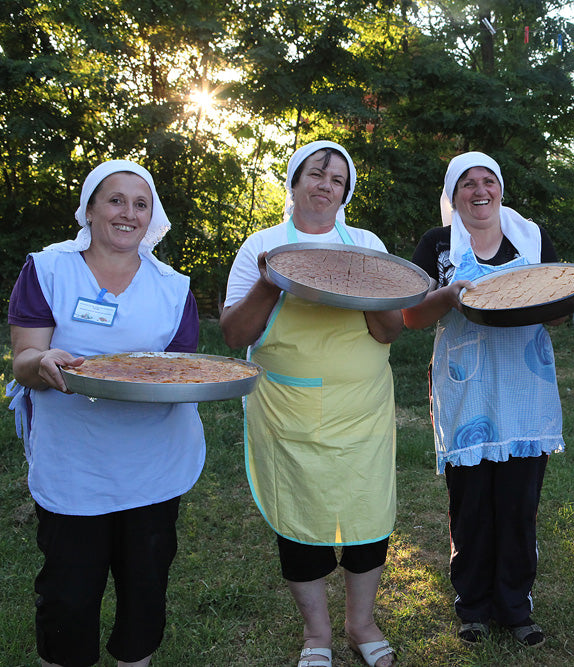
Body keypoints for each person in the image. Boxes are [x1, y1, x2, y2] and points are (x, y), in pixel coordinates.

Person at [5, 160, 205, 667]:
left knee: (145, 593)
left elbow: (184, 374)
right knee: (68, 598)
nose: (128, 213)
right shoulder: (49, 270)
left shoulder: (172, 286)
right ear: (90, 209)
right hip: (75, 462)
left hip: (153, 465)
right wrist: (42, 362)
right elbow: (25, 360)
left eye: (141, 204)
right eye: (116, 200)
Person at [220, 141, 400, 667]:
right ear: (295, 182)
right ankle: (316, 634)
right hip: (287, 411)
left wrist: (371, 288)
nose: (326, 185)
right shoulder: (265, 244)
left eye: (337, 180)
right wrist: (272, 280)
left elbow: (388, 332)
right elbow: (235, 335)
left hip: (362, 409)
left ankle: (360, 624)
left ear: (345, 193)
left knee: (367, 521)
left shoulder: (364, 244)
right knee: (302, 527)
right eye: (316, 174)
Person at [402, 151, 565, 647]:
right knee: (469, 506)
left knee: (519, 505)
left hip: (525, 387)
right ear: (453, 196)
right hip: (465, 385)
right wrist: (448, 296)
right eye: (467, 183)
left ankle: (516, 606)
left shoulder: (531, 238)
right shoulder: (437, 245)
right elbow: (410, 317)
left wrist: (559, 302)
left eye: (487, 181)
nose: (479, 191)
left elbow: (560, 304)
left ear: (500, 188)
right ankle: (471, 605)